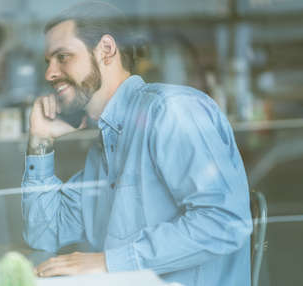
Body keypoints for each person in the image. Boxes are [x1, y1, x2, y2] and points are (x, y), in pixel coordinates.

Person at [21, 2, 252, 285]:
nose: (50, 74)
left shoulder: (171, 111)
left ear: (106, 50)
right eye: (48, 62)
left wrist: (108, 263)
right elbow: (45, 234)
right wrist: (40, 143)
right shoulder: (104, 145)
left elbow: (224, 223)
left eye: (63, 57)